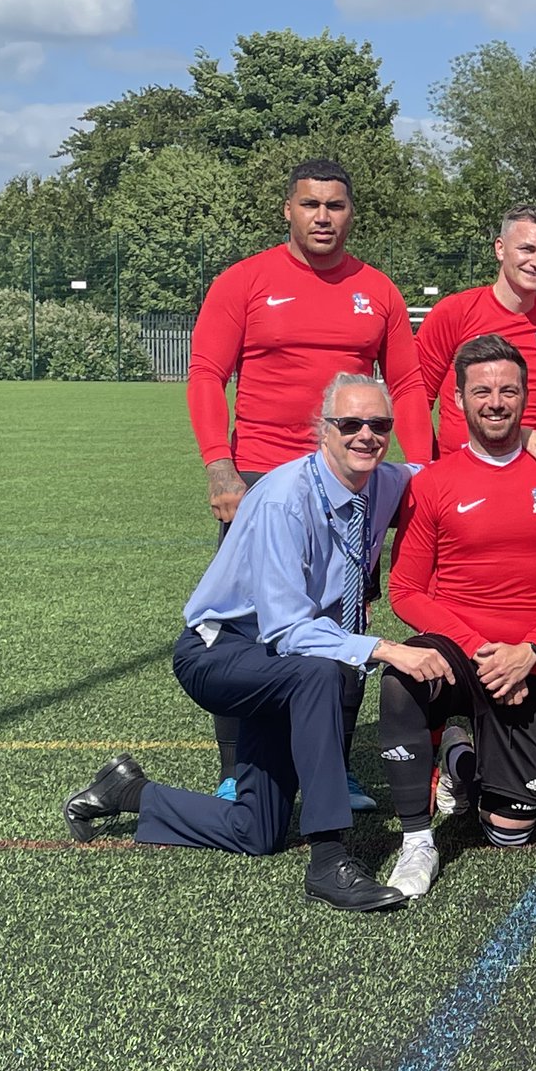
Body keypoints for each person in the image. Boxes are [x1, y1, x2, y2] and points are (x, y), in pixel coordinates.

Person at [64, 374, 450, 911]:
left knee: (256, 829)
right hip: (221, 652)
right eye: (350, 423)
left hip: (279, 661)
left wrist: (528, 441)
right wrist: (385, 647)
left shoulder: (384, 481)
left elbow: (454, 474)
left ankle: (125, 792)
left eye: (379, 424)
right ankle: (329, 859)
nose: (366, 435)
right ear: (323, 429)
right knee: (322, 671)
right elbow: (288, 629)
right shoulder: (283, 498)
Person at [185, 159, 432, 804]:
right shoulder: (245, 282)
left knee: (343, 620)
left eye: (335, 205)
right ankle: (240, 770)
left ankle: (336, 767)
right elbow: (207, 373)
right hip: (262, 482)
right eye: (310, 204)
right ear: (288, 210)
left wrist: (424, 473)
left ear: (351, 213)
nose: (323, 216)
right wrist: (219, 465)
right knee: (250, 625)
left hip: (347, 479)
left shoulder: (377, 290)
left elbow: (407, 384)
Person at [375, 336, 536, 898]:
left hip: (528, 663)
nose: (495, 402)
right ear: (458, 399)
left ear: (526, 397)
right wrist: (479, 649)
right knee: (401, 678)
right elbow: (405, 591)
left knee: (510, 833)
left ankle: (460, 756)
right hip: (461, 651)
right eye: (481, 391)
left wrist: (531, 649)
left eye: (508, 391)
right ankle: (416, 840)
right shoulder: (432, 483)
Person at [413, 206, 536, 460]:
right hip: (460, 471)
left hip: (530, 473)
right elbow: (416, 398)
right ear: (500, 249)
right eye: (527, 249)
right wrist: (425, 465)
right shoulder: (455, 312)